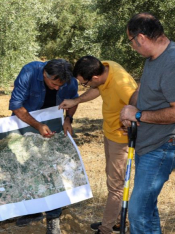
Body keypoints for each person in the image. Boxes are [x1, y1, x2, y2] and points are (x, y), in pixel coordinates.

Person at [120, 13, 175, 233]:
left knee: (138, 211)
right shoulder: (153, 59)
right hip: (150, 142)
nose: (132, 47)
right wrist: (128, 113)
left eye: (131, 42)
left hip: (166, 144)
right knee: (146, 207)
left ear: (141, 38)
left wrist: (137, 115)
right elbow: (142, 93)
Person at [59, 56, 137, 234]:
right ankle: (118, 220)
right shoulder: (106, 67)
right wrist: (76, 101)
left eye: (84, 83)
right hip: (109, 133)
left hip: (121, 139)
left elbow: (139, 103)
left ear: (94, 78)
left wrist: (134, 123)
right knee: (111, 177)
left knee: (116, 186)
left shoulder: (121, 84)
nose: (84, 86)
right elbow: (98, 90)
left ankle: (106, 229)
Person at [9, 59, 79, 234]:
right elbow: (16, 105)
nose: (57, 89)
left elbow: (73, 101)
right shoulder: (29, 72)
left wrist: (69, 119)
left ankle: (53, 218)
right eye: (54, 84)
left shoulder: (69, 80)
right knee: (25, 168)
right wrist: (38, 125)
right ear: (44, 74)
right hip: (25, 123)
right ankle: (32, 212)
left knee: (53, 170)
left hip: (53, 125)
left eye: (60, 86)